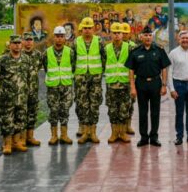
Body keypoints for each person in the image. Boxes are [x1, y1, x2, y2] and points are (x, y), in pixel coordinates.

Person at [125, 26, 171, 147]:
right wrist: (132, 87)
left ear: (152, 37)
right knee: (142, 112)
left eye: (150, 35)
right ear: (141, 37)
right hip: (141, 83)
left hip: (156, 83)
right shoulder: (135, 51)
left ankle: (154, 137)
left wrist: (164, 85)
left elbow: (164, 68)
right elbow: (131, 70)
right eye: (145, 35)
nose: (148, 37)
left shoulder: (159, 50)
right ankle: (144, 137)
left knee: (155, 112)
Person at [73, 16, 106, 144]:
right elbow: (72, 59)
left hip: (95, 79)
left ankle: (93, 133)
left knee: (94, 105)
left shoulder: (99, 41)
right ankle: (85, 132)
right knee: (82, 105)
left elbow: (104, 58)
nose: (87, 30)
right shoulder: (76, 42)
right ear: (82, 29)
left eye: (89, 28)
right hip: (80, 79)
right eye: (85, 28)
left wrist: (100, 72)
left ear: (93, 29)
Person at [42, 25, 76, 145]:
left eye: (62, 36)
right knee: (53, 111)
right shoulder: (47, 53)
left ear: (65, 38)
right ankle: (54, 136)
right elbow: (46, 67)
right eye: (57, 36)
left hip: (66, 87)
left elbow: (73, 67)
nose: (59, 39)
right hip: (53, 87)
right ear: (54, 37)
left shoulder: (70, 52)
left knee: (65, 111)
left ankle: (64, 135)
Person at [0, 35, 27, 154]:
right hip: (7, 97)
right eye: (14, 43)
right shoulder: (2, 60)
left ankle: (16, 142)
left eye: (19, 43)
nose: (17, 45)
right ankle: (7, 144)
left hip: (21, 96)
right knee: (7, 121)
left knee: (20, 119)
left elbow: (27, 75)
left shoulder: (25, 58)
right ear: (10, 45)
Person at [168, 30, 188, 145]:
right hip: (179, 85)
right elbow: (169, 71)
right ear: (179, 40)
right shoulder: (173, 53)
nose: (185, 40)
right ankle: (179, 136)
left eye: (187, 38)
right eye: (183, 38)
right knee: (179, 112)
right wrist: (172, 89)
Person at [105, 22, 132, 143]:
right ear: (111, 34)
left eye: (119, 32)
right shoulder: (106, 49)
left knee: (124, 109)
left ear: (122, 34)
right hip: (111, 84)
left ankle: (123, 133)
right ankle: (114, 133)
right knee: (112, 109)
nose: (117, 35)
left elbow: (133, 66)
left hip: (125, 84)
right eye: (114, 33)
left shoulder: (129, 48)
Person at [21, 31, 42, 147]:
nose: (28, 42)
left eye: (30, 40)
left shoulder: (38, 54)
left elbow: (38, 68)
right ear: (22, 41)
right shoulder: (18, 55)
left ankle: (30, 137)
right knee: (21, 114)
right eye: (26, 40)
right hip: (21, 91)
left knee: (32, 113)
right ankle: (22, 139)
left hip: (33, 90)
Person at [120, 21, 137, 135]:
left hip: (131, 80)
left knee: (130, 104)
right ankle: (120, 127)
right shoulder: (116, 46)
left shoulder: (133, 47)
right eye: (123, 33)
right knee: (120, 105)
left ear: (130, 34)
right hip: (119, 80)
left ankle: (128, 125)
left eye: (126, 33)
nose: (125, 35)